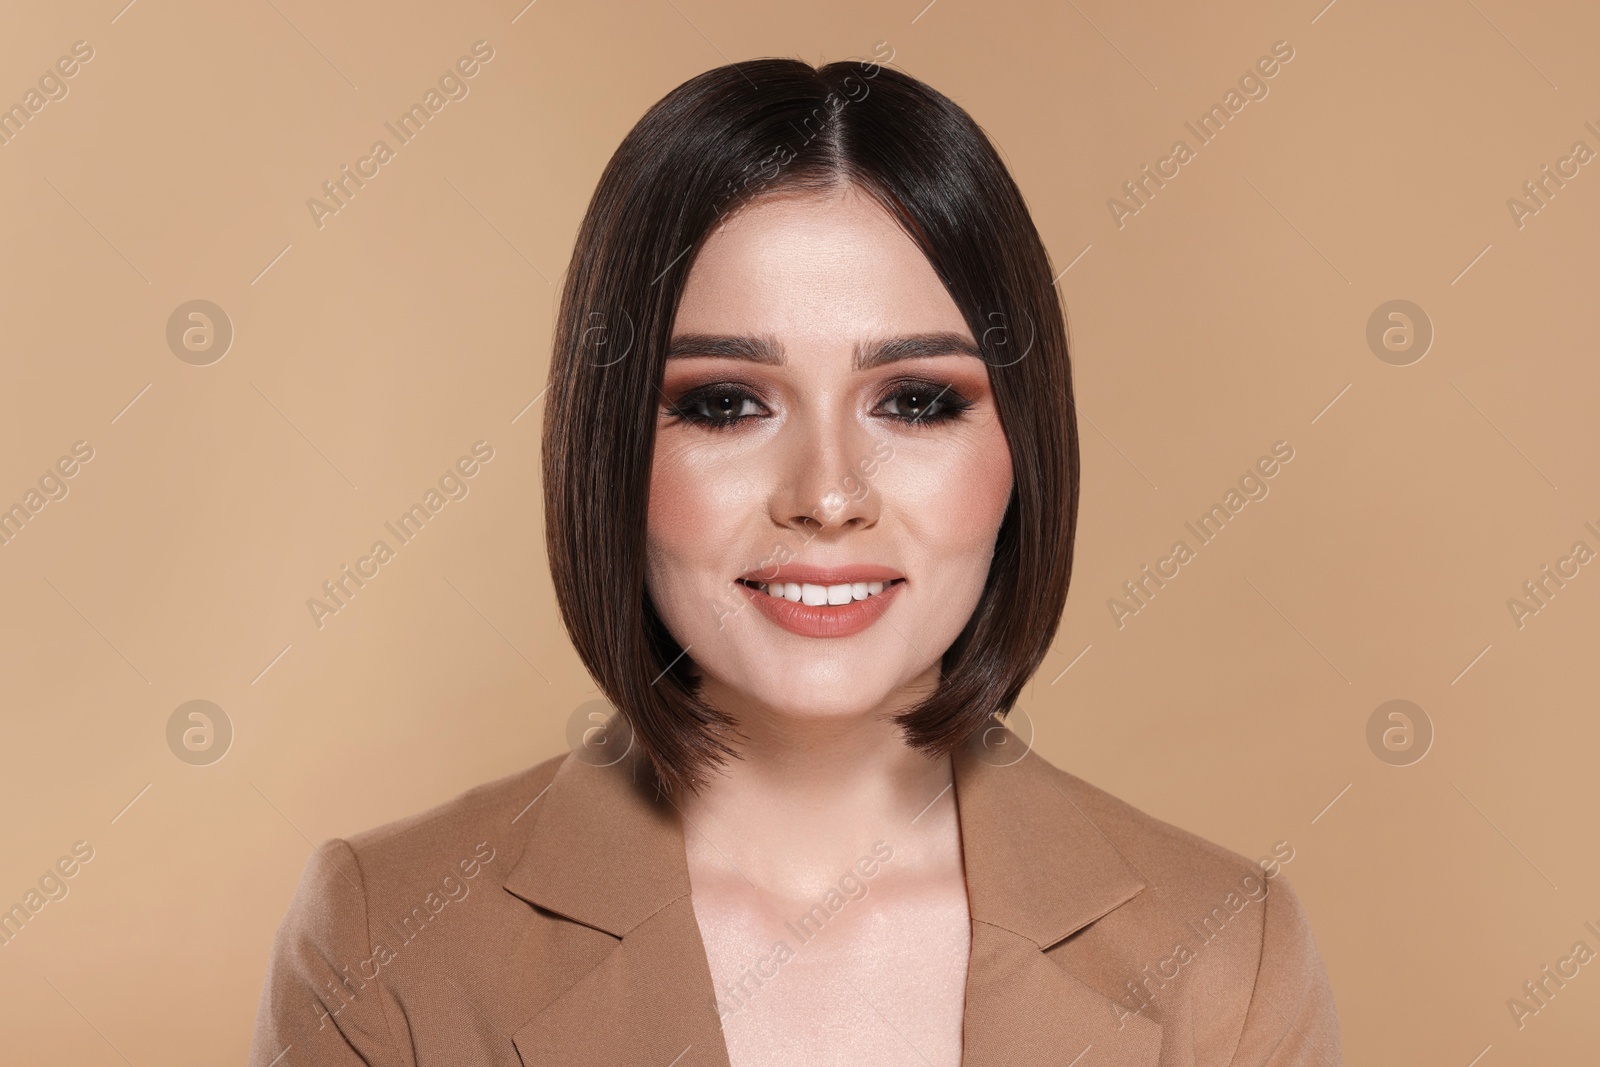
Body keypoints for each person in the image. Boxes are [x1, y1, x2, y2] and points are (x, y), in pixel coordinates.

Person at [248, 55, 1341, 1066]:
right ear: (610, 446)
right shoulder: (387, 940)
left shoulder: (1224, 957)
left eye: (915, 401)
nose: (825, 496)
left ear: (1022, 448)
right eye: (725, 403)